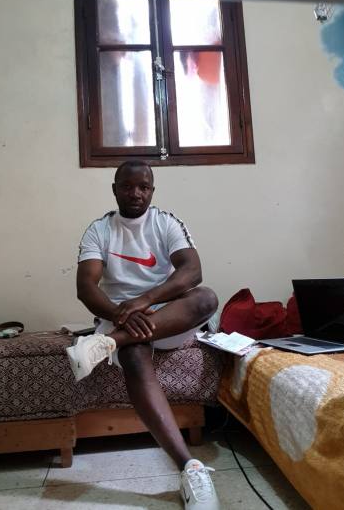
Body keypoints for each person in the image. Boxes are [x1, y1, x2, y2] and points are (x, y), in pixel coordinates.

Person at [67, 160, 220, 509]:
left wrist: (146, 300)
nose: (136, 193)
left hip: (166, 315)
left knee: (207, 298)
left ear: (152, 190)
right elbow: (86, 287)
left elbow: (192, 270)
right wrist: (122, 314)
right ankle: (189, 467)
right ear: (115, 189)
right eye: (127, 186)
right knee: (135, 355)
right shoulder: (99, 229)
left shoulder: (166, 222)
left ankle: (105, 344)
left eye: (144, 187)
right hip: (120, 317)